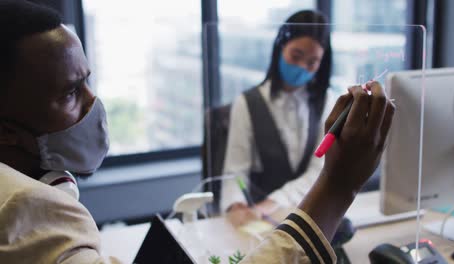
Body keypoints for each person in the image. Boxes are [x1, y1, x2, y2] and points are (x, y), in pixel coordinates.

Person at [0, 1, 395, 263]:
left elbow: (312, 170)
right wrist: (340, 183)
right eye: (71, 91)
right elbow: (235, 176)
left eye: (89, 81)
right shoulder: (30, 213)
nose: (93, 103)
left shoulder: (322, 99)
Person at [222, 10, 334, 213]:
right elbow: (235, 172)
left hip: (307, 213)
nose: (301, 67)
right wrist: (236, 205)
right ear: (280, 48)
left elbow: (320, 170)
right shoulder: (246, 103)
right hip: (257, 216)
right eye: (296, 55)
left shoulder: (326, 102)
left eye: (312, 62)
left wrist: (276, 202)